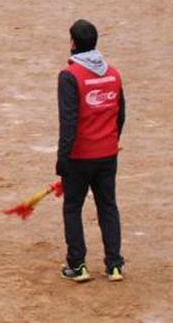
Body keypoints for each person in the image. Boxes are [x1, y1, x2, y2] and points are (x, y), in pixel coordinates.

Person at [56, 18, 125, 284]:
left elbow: (69, 121)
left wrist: (63, 158)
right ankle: (115, 265)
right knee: (108, 206)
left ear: (73, 44)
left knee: (72, 207)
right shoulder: (114, 74)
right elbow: (121, 114)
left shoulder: (70, 76)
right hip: (107, 154)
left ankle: (78, 264)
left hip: (79, 157)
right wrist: (111, 141)